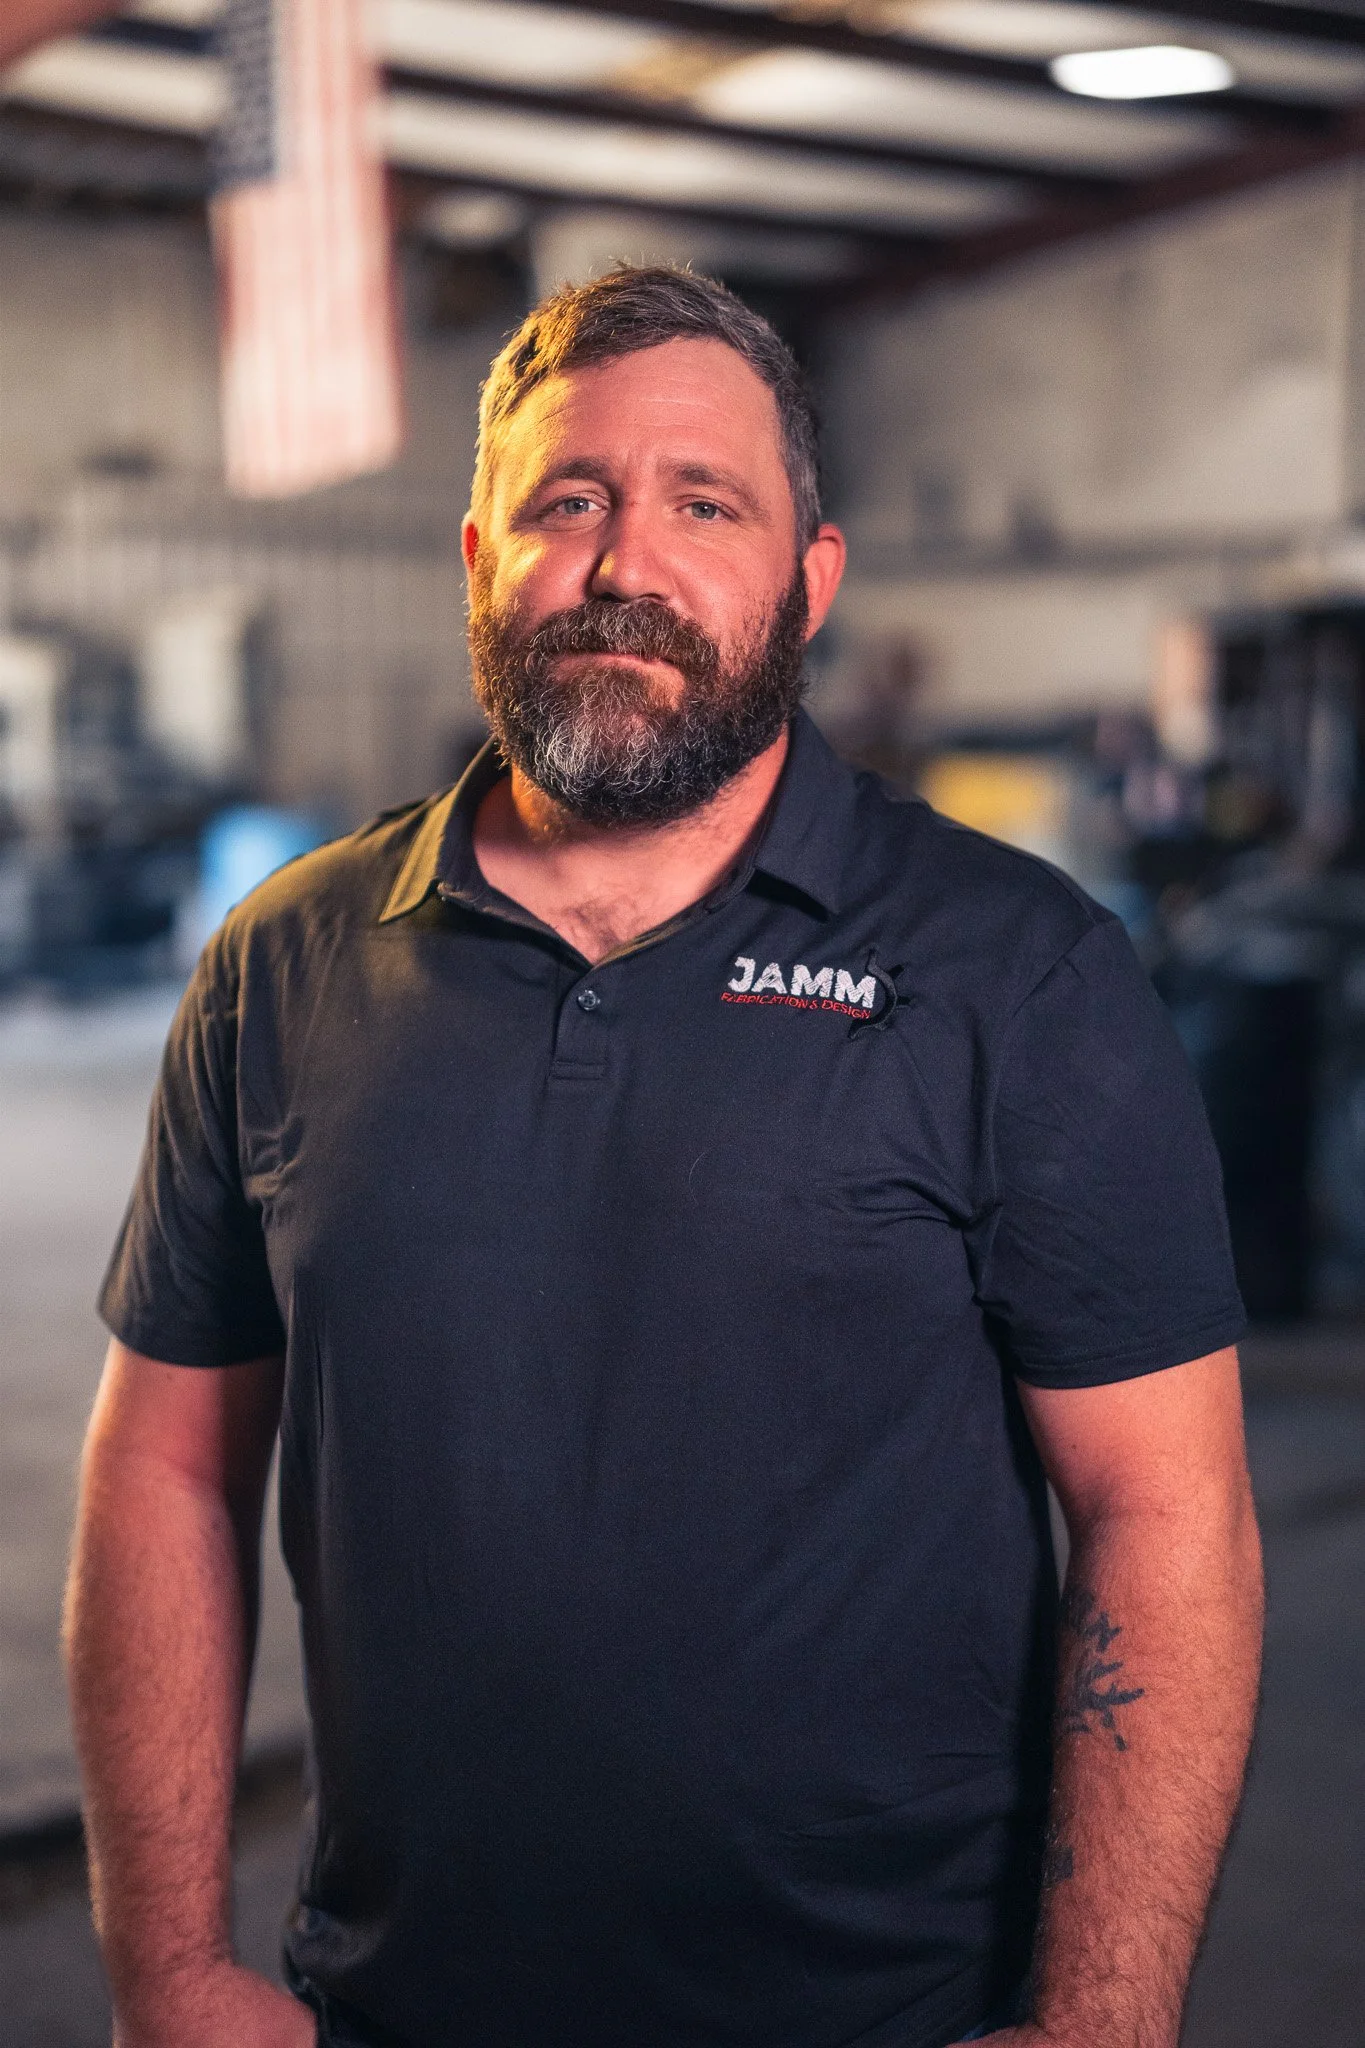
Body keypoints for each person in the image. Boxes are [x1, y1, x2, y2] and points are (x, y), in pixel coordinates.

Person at [67, 266, 1263, 2048]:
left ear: (809, 578)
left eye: (708, 503)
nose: (630, 563)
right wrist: (167, 1971)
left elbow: (1167, 1510)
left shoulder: (1018, 974)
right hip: (400, 2008)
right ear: (476, 554)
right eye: (572, 500)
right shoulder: (286, 967)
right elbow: (163, 1468)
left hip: (890, 2016)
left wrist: (1103, 2022)